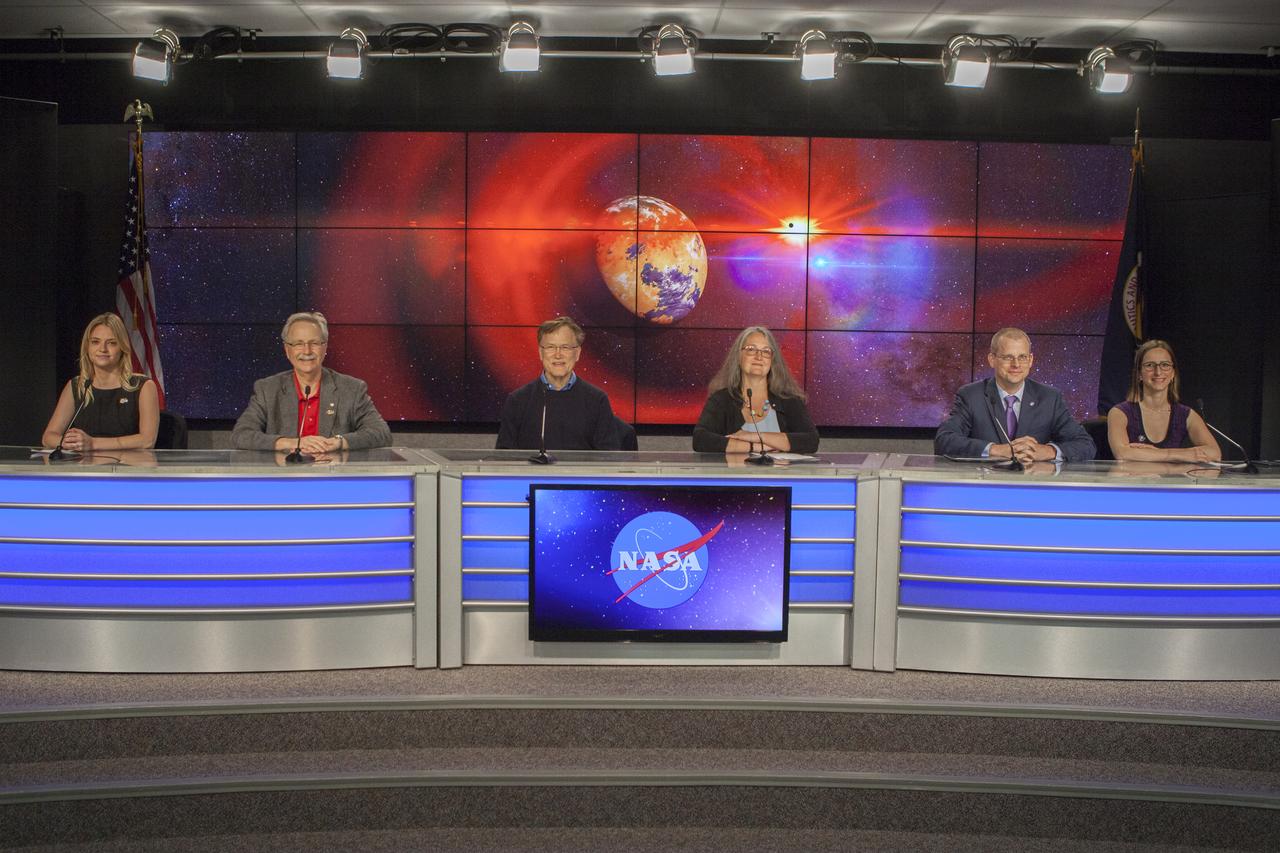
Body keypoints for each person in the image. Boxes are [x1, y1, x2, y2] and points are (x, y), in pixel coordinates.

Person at [231, 311, 391, 452]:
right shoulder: (267, 389)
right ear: (287, 350)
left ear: (324, 347)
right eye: (298, 344)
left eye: (314, 343)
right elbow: (241, 435)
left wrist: (339, 442)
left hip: (333, 479)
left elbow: (381, 433)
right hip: (283, 479)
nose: (307, 351)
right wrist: (291, 443)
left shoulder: (352, 389)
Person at [935, 327, 1095, 464]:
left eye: (1022, 357)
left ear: (1031, 360)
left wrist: (1047, 451)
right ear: (992, 359)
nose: (1016, 365)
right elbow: (944, 440)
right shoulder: (971, 396)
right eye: (1008, 357)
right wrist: (997, 450)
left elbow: (1085, 445)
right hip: (984, 486)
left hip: (1032, 488)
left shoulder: (1049, 398)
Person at [496, 316, 622, 451]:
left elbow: (609, 458)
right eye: (550, 347)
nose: (558, 355)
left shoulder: (597, 400)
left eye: (565, 347)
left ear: (577, 353)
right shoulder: (517, 400)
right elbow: (504, 458)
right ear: (540, 353)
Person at [42, 313, 159, 453]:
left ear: (122, 347)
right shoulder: (77, 386)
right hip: (85, 470)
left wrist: (93, 443)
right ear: (87, 347)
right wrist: (68, 443)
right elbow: (48, 437)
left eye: (111, 343)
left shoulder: (143, 386)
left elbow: (147, 441)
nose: (102, 349)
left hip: (128, 469)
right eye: (95, 342)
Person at [692, 326, 819, 454]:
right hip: (736, 474)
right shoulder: (721, 399)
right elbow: (700, 439)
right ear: (738, 356)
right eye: (751, 349)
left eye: (766, 351)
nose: (759, 356)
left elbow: (811, 440)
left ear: (772, 360)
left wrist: (758, 436)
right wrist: (756, 447)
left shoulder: (789, 400)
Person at [1106, 339, 1220, 463]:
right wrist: (1180, 455)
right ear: (1139, 374)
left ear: (1172, 374)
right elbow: (1122, 454)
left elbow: (1215, 453)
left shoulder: (1186, 414)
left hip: (1171, 481)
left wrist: (1155, 453)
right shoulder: (1119, 413)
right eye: (1150, 365)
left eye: (1165, 365)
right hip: (1133, 481)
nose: (1158, 372)